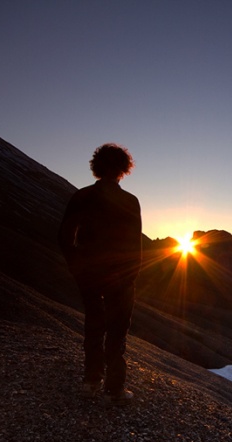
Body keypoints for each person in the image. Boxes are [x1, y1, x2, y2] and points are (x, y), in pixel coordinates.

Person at [58, 143, 142, 406]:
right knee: (117, 330)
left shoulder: (82, 196)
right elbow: (134, 244)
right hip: (120, 275)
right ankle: (113, 390)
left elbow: (64, 235)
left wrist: (76, 265)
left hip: (89, 273)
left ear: (97, 167)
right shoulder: (129, 201)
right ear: (123, 169)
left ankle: (90, 382)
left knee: (94, 324)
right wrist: (131, 276)